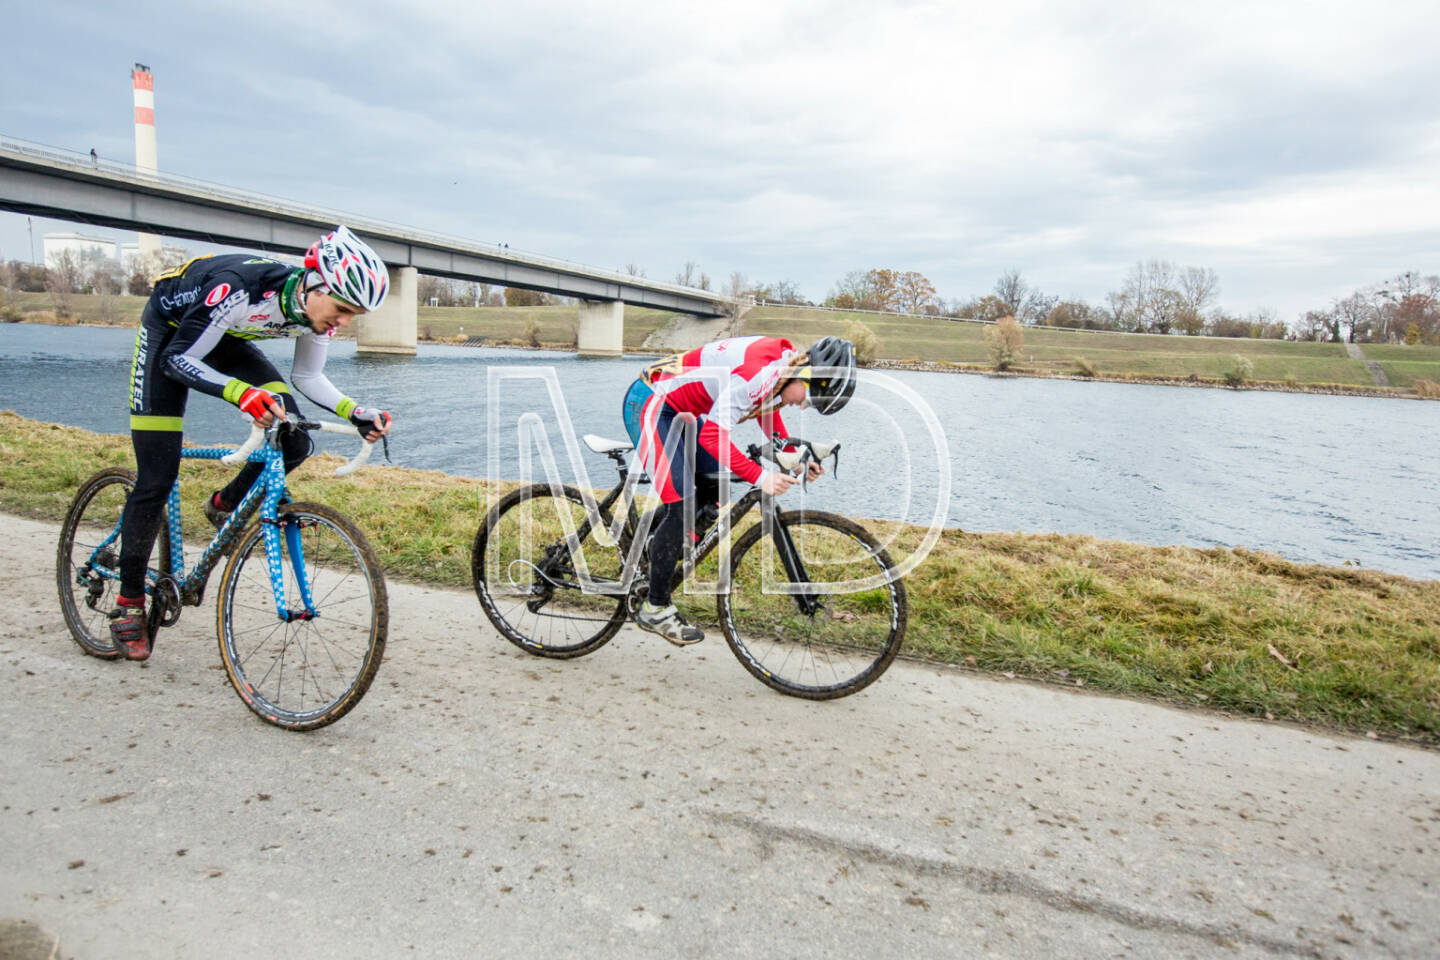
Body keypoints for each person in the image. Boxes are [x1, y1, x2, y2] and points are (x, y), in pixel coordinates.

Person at [108, 225, 394, 661]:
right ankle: (128, 602)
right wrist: (241, 393)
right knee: (157, 477)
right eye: (342, 309)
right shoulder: (241, 290)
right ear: (315, 283)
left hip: (225, 338)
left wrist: (356, 412)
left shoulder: (313, 311)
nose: (345, 322)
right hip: (171, 337)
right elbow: (176, 360)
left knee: (293, 436)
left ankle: (224, 504)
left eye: (354, 314)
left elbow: (308, 377)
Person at [620, 335, 856, 645]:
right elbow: (714, 436)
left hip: (684, 413)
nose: (805, 407)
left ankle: (650, 543)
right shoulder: (758, 374)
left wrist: (796, 461)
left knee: (715, 490)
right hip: (652, 403)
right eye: (811, 399)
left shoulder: (783, 368)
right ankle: (656, 606)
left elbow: (768, 407)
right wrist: (761, 477)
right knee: (683, 506)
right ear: (806, 373)